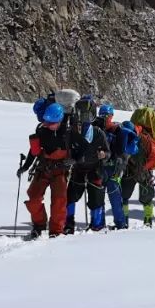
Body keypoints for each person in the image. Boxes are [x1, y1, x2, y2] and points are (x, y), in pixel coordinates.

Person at [20, 102, 72, 239]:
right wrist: (25, 167)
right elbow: (33, 152)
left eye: (51, 122)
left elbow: (82, 147)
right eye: (46, 122)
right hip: (43, 168)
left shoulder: (68, 133)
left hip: (60, 171)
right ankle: (39, 225)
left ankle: (56, 230)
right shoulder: (42, 131)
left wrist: (74, 160)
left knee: (59, 201)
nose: (47, 125)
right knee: (34, 197)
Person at [64, 96, 111, 233]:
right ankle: (69, 224)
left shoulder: (98, 133)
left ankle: (96, 225)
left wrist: (104, 155)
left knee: (96, 199)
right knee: (70, 196)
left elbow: (108, 152)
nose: (84, 117)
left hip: (94, 168)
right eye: (82, 114)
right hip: (78, 169)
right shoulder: (73, 131)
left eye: (87, 114)